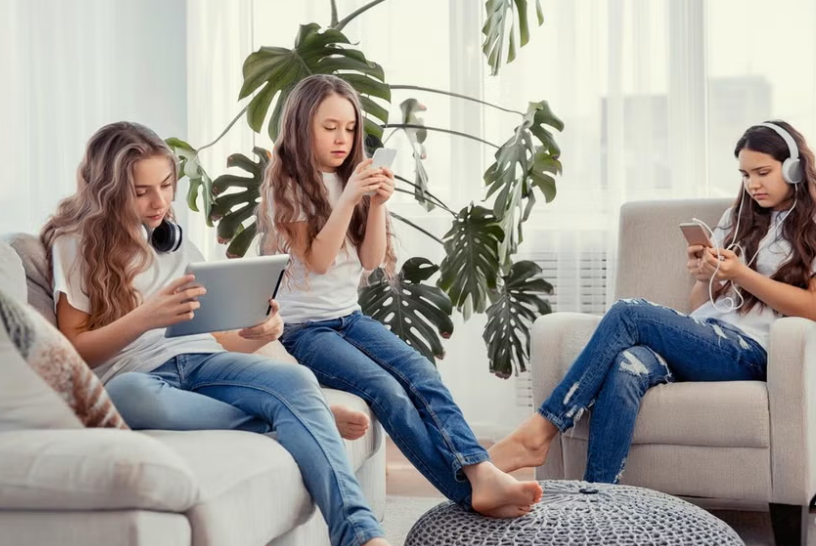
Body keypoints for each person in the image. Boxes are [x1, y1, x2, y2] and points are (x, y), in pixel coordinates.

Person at [42, 121, 392, 546]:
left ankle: (360, 535)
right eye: (141, 191)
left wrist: (261, 332)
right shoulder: (75, 245)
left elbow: (212, 334)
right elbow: (74, 351)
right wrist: (145, 317)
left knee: (296, 379)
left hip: (201, 360)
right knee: (132, 395)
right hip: (138, 376)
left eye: (166, 185)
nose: (160, 202)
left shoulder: (170, 239)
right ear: (108, 190)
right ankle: (300, 415)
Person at [257, 74, 543, 517]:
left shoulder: (352, 178)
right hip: (303, 332)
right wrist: (349, 199)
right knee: (386, 391)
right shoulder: (290, 186)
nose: (341, 138)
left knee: (419, 371)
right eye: (329, 126)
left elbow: (370, 261)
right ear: (300, 125)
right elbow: (317, 260)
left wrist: (377, 203)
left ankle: (480, 470)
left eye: (350, 128)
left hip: (347, 319)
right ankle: (469, 494)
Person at [488, 121, 816, 483]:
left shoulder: (811, 223)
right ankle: (598, 499)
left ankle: (541, 430)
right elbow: (698, 306)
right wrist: (707, 277)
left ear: (793, 167)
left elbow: (811, 309)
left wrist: (741, 274)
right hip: (710, 337)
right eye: (745, 174)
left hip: (752, 352)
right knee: (627, 364)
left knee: (629, 312)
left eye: (763, 173)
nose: (753, 184)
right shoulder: (738, 218)